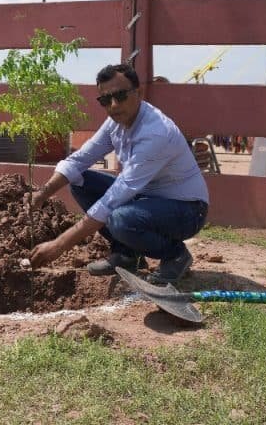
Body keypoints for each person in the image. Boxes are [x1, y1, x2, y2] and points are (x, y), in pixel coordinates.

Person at [27, 63, 209, 284]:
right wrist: (42, 194)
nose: (113, 105)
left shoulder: (155, 133)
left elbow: (114, 199)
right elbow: (80, 159)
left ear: (138, 93)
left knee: (120, 218)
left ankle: (175, 256)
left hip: (186, 209)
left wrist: (59, 244)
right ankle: (127, 255)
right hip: (146, 198)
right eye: (105, 100)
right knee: (80, 180)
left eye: (120, 96)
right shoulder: (116, 122)